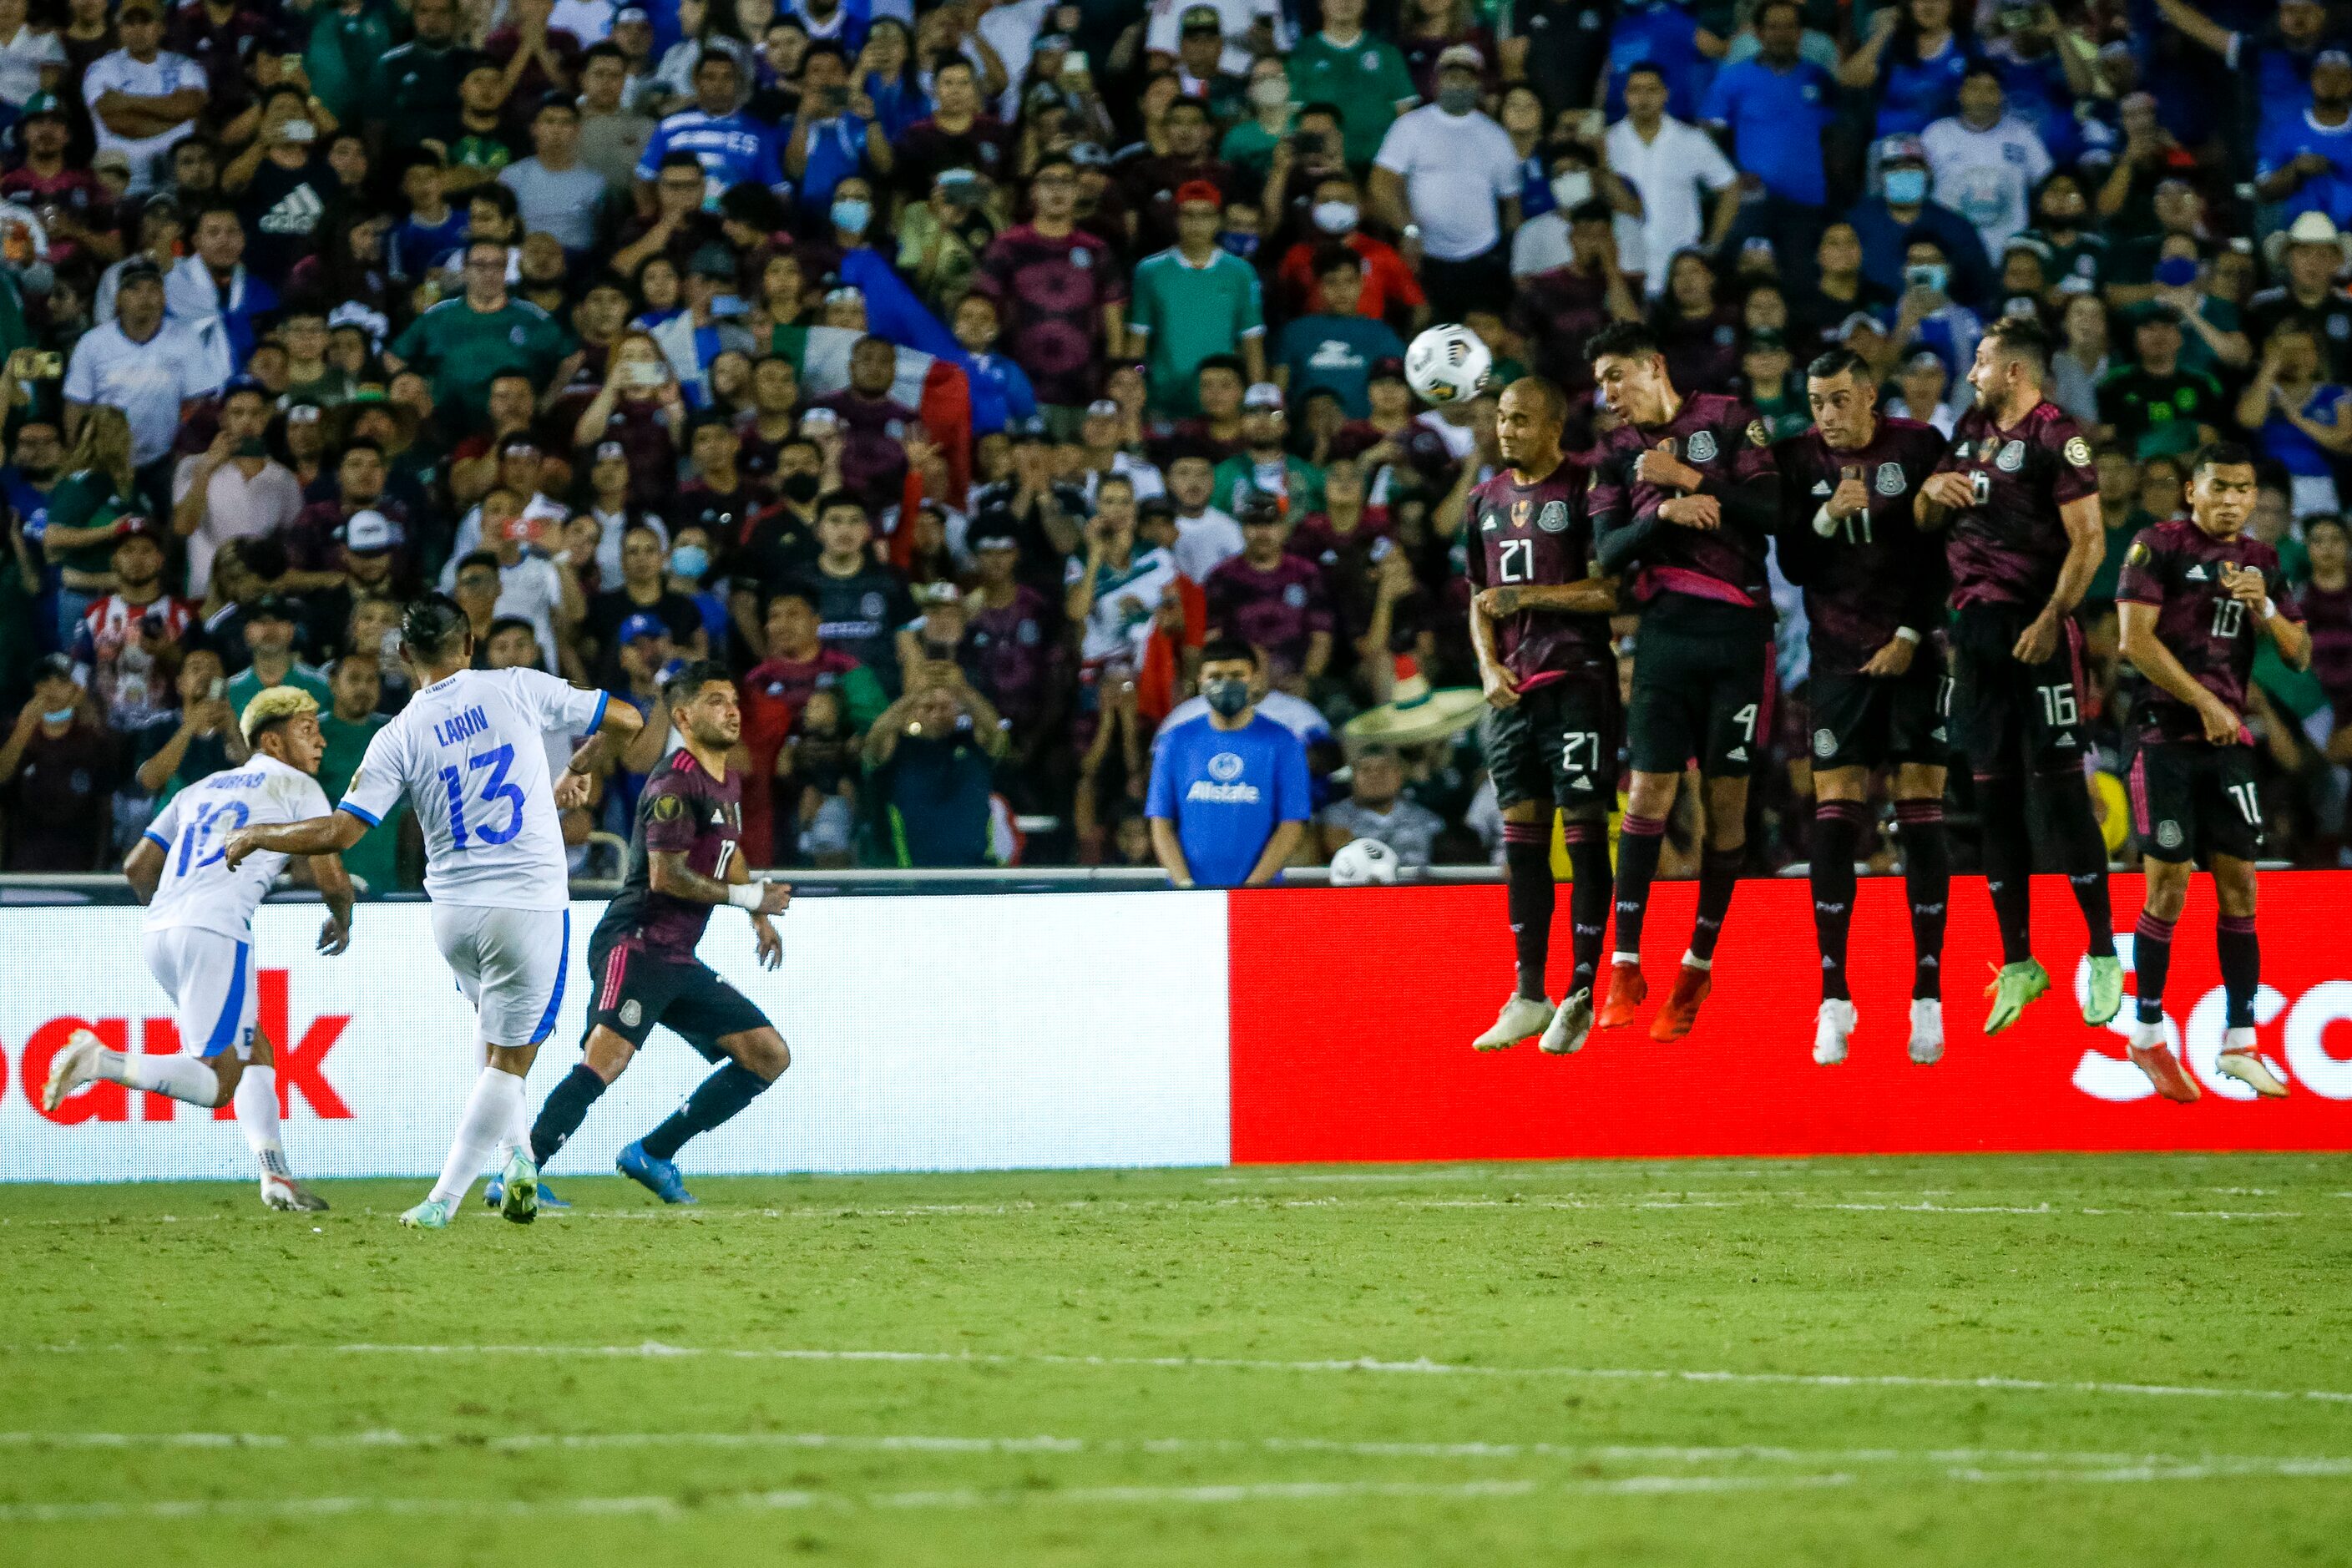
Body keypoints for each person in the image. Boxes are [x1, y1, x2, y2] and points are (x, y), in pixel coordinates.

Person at [220, 594, 644, 1229]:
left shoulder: (400, 733)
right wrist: (578, 765)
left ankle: (518, 1160)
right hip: (526, 904)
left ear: (405, 656)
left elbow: (340, 830)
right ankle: (443, 1200)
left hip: (452, 913)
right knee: (512, 1059)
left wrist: (261, 834)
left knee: (489, 1025)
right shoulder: (516, 687)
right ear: (469, 644)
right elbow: (628, 719)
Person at [43, 685, 351, 1211]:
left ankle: (275, 1176)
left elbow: (137, 866)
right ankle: (100, 1060)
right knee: (217, 1080)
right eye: (307, 729)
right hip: (215, 931)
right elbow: (330, 873)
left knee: (255, 1048)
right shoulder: (297, 786)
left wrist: (177, 911)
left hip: (159, 929)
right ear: (273, 742)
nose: (320, 740)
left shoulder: (200, 788)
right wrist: (342, 918)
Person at [1914, 315, 2121, 1034]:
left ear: (2013, 371)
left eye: (1979, 359)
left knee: (2061, 794)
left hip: (2036, 628)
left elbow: (2089, 541)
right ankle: (2018, 960)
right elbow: (1922, 511)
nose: (1968, 370)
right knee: (1992, 796)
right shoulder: (1969, 428)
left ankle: (2100, 951)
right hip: (1972, 637)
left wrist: (2049, 617)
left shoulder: (2054, 436)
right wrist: (1928, 498)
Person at [527, 660, 790, 1205]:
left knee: (766, 1054)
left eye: (733, 700)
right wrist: (747, 897)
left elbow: (726, 851)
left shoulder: (725, 779)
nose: (731, 710)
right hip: (637, 942)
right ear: (684, 715)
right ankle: (520, 1171)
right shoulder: (675, 780)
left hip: (676, 955)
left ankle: (654, 1152)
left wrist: (756, 915)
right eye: (715, 701)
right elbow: (664, 874)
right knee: (607, 1060)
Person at [1586, 321, 1778, 1041]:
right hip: (1664, 634)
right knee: (1647, 793)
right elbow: (1606, 554)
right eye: (1599, 383)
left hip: (1737, 637)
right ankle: (1624, 965)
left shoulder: (1728, 420)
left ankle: (1697, 967)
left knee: (1724, 813)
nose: (1606, 395)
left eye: (1614, 377)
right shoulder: (1614, 455)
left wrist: (1693, 478)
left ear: (1652, 364)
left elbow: (1773, 514)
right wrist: (1662, 510)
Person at [2114, 443, 2313, 1101]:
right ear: (2191, 490)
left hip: (2225, 746)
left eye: (2243, 490)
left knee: (2241, 891)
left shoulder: (2260, 561)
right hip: (2162, 735)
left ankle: (2239, 1042)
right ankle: (2145, 1036)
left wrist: (2267, 610)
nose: (2232, 500)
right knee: (2168, 887)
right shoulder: (2157, 545)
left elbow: (2300, 654)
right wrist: (2203, 702)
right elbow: (2133, 641)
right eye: (2219, 487)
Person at [1773, 347, 1953, 1066]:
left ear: (1870, 397)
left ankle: (1927, 995)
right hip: (1837, 658)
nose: (1828, 416)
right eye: (1817, 403)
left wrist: (1912, 634)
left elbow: (1942, 553)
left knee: (1919, 811)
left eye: (1840, 401)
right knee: (1835, 815)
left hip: (1911, 652)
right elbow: (1791, 566)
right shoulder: (1797, 460)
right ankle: (1833, 996)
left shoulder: (1917, 446)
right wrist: (1820, 520)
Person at [1454, 376, 1619, 1056]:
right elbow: (1476, 595)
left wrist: (1531, 595)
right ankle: (1529, 992)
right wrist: (1488, 667)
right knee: (1519, 837)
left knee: (1582, 829)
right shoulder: (1482, 500)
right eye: (1500, 419)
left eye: (1521, 420)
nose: (1507, 430)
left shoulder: (1589, 486)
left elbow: (1612, 588)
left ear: (1554, 427)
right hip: (1511, 692)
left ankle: (1580, 988)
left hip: (1576, 680)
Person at [1369, 43, 1520, 322]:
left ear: (1479, 84)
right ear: (1436, 80)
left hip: (1481, 256)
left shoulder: (1495, 135)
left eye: (1466, 78)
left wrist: (1509, 256)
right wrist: (1408, 230)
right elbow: (1381, 185)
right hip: (1425, 258)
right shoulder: (1411, 126)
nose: (1458, 84)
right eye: (1451, 77)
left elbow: (1511, 202)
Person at [1146, 637, 1309, 888]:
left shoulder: (1284, 743)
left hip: (1260, 895)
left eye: (1236, 674)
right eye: (1215, 675)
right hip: (1187, 895)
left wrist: (1252, 888)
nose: (1225, 683)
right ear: (1200, 680)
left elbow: (1292, 824)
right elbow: (1161, 823)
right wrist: (1185, 886)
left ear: (1254, 678)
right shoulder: (1175, 741)